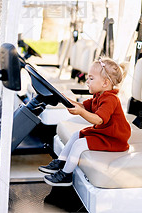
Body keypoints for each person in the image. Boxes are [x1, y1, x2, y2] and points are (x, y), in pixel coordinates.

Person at [39, 57, 131, 186]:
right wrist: (62, 98)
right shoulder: (99, 96)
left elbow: (98, 120)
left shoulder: (110, 99)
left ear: (105, 83)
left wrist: (81, 112)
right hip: (105, 134)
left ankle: (66, 176)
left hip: (114, 139)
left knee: (80, 144)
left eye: (91, 79)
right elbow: (82, 106)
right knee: (77, 135)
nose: (87, 81)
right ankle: (61, 161)